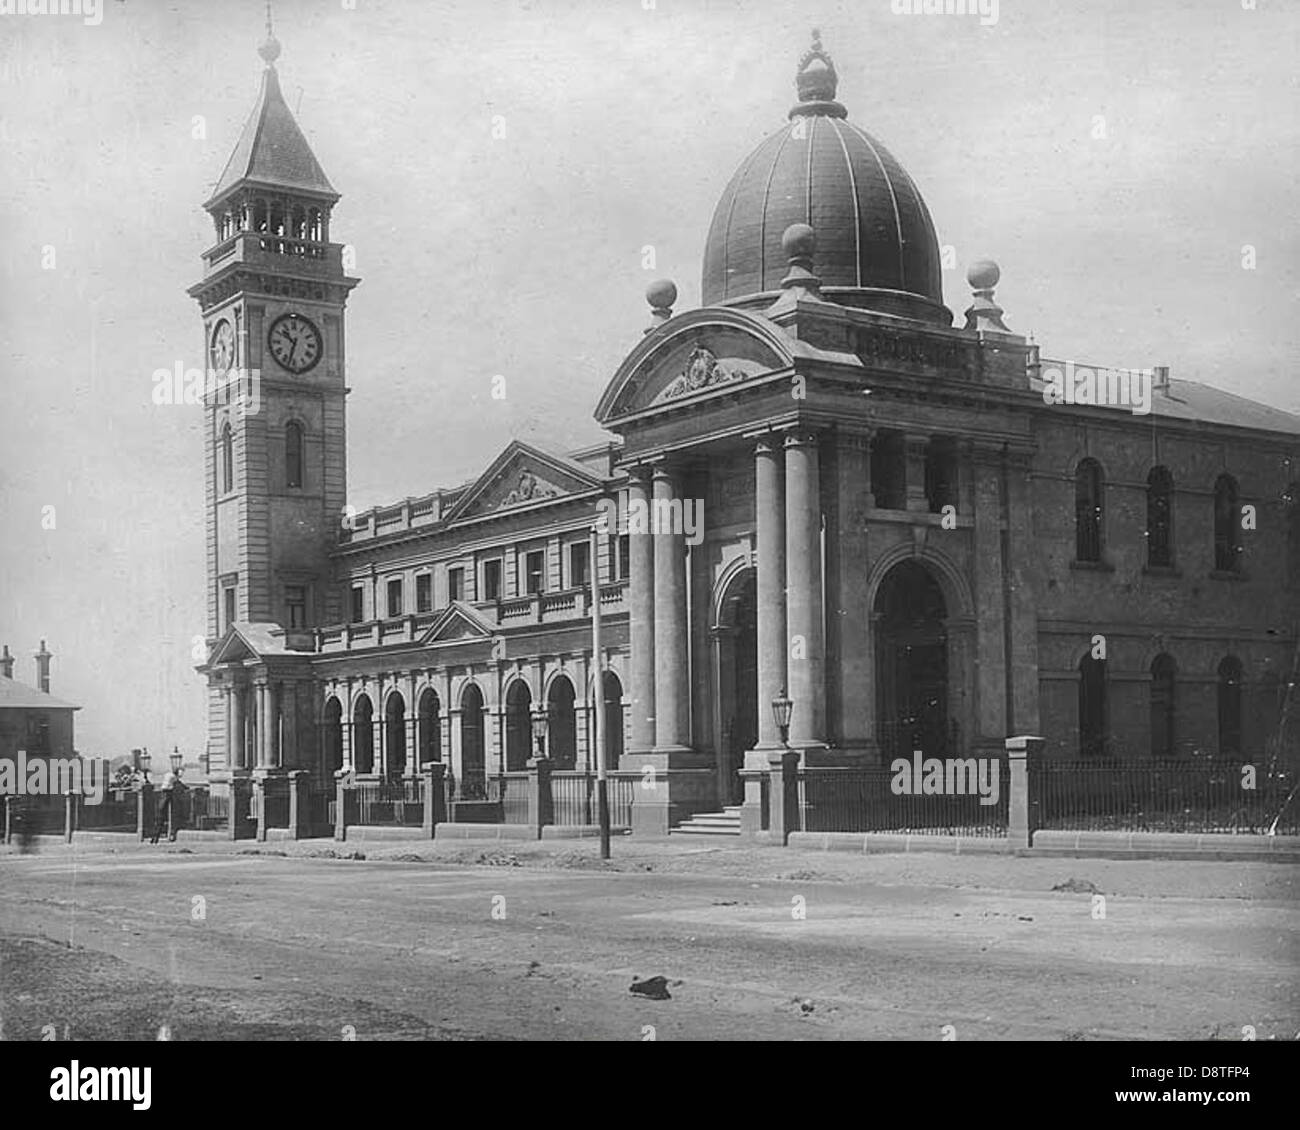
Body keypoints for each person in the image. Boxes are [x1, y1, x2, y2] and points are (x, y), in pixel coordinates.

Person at [150, 766, 183, 844]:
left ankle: (155, 838)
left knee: (160, 816)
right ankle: (159, 836)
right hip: (168, 792)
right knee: (164, 814)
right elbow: (178, 782)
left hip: (164, 791)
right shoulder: (172, 776)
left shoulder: (167, 774)